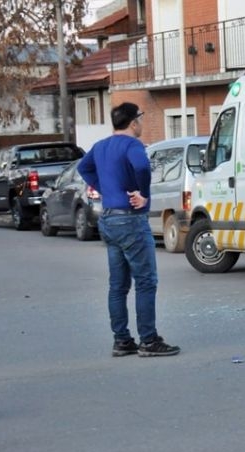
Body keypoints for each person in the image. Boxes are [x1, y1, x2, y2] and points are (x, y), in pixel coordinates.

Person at [78, 102, 181, 357]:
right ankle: (148, 340)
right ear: (134, 122)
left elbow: (83, 168)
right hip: (131, 220)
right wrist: (143, 194)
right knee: (146, 281)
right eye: (141, 119)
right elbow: (143, 168)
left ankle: (122, 340)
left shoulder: (100, 146)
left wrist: (105, 189)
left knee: (118, 284)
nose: (142, 124)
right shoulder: (133, 145)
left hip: (109, 218)